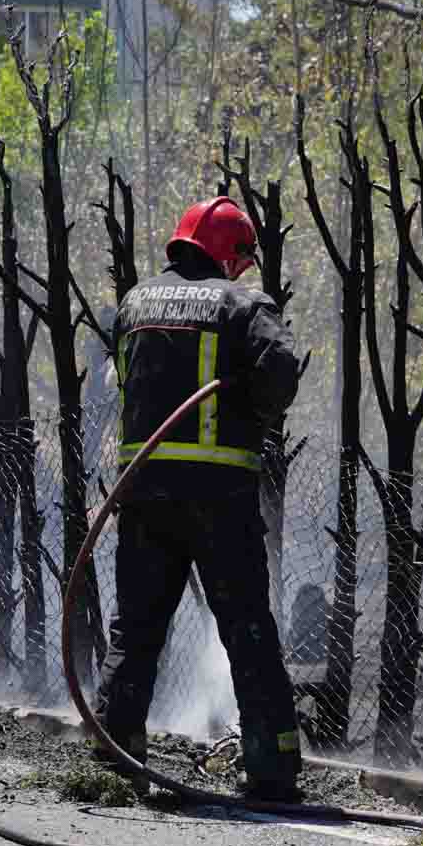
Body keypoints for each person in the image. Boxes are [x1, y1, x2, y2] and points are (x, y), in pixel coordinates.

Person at [91, 195, 305, 800]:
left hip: (143, 492)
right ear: (228, 252)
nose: (243, 268)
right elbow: (282, 370)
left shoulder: (135, 302)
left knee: (135, 630)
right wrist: (252, 405)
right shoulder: (244, 303)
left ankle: (114, 755)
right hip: (218, 495)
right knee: (247, 629)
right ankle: (272, 768)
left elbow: (123, 378)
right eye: (241, 257)